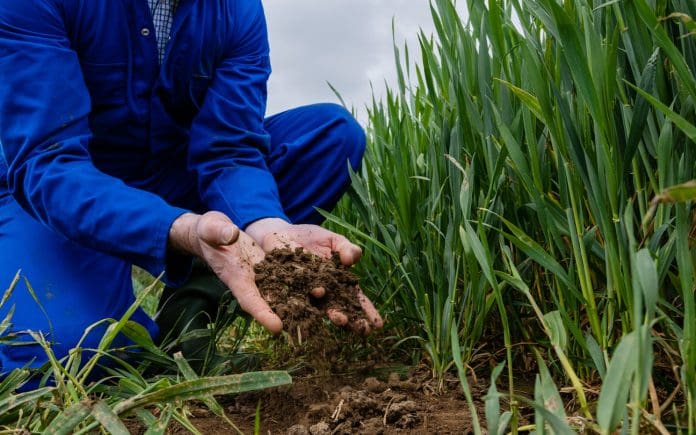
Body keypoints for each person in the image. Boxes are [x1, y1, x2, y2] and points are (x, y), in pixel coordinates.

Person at [0, 0, 383, 378]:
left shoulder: (238, 10)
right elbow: (47, 161)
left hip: (168, 170)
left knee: (331, 137)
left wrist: (267, 225)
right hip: (57, 187)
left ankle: (189, 316)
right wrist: (177, 227)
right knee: (69, 353)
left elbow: (230, 149)